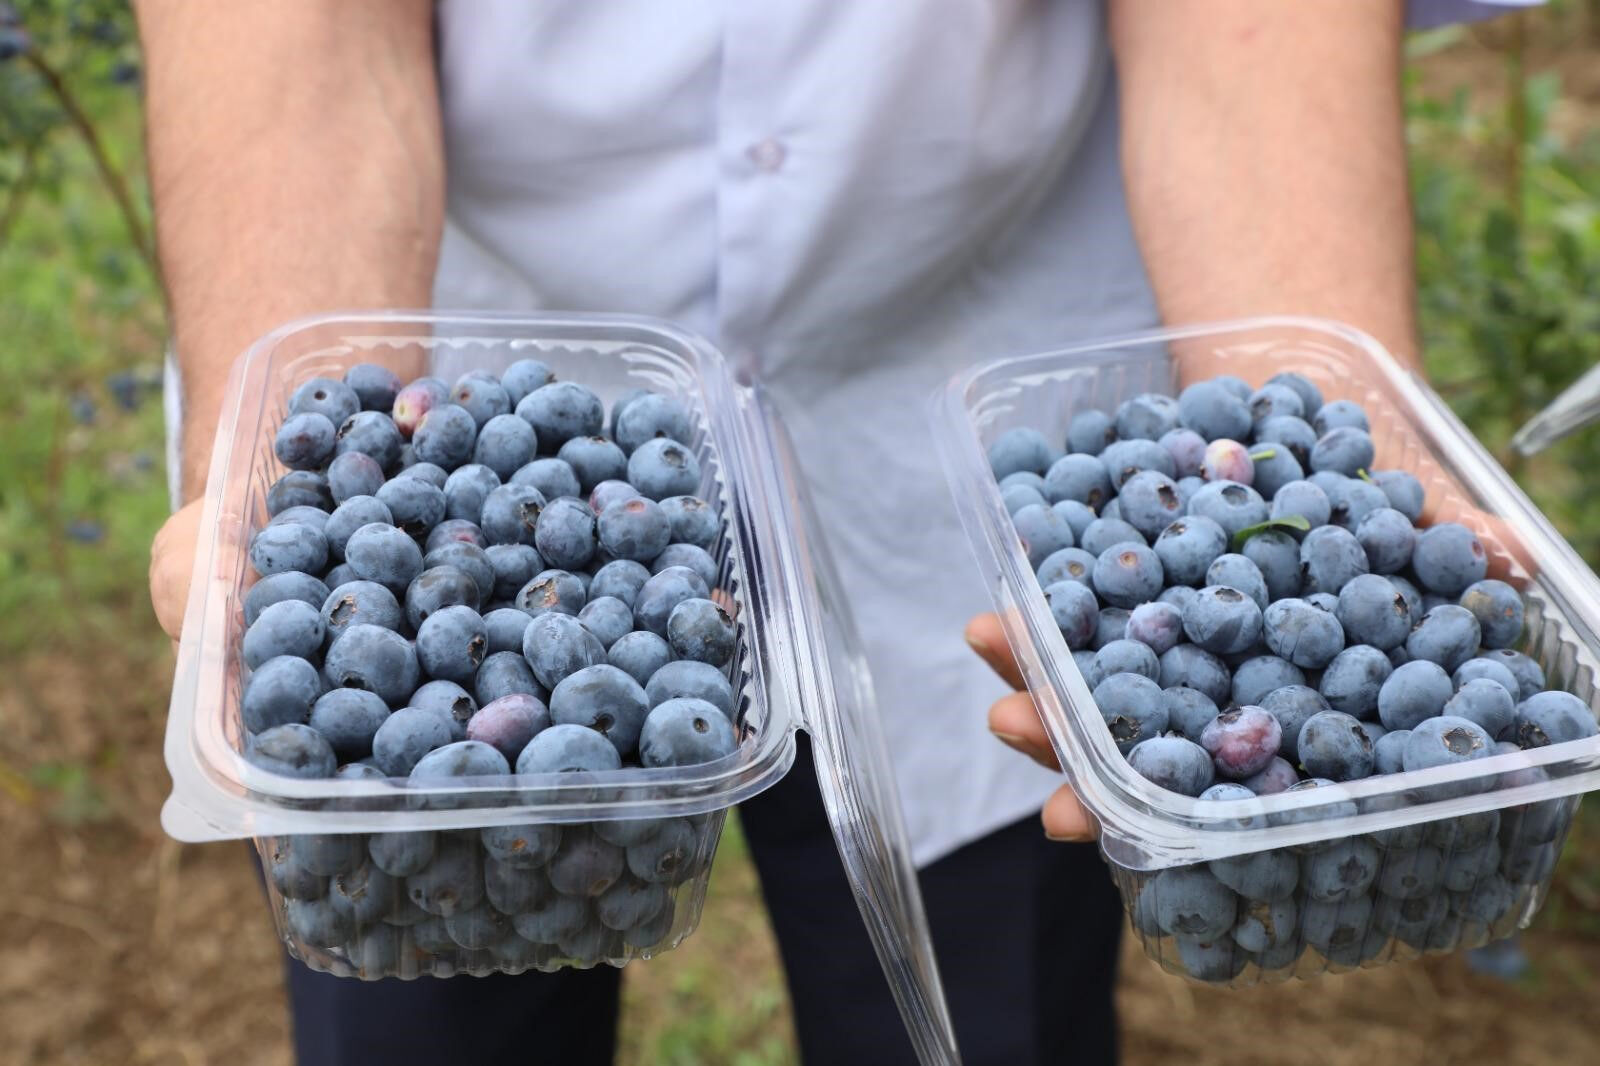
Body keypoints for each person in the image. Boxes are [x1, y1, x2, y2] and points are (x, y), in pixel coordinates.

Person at [140, 2, 1534, 1063]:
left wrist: (1340, 453)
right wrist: (283, 481)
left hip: (975, 421)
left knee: (982, 1021)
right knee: (423, 944)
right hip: (472, 376)